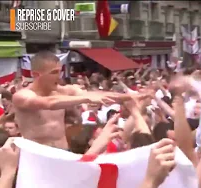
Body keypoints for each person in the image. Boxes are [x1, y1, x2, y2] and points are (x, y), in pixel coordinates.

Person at [12, 51, 141, 150]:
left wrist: (131, 96)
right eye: (54, 72)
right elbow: (48, 103)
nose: (59, 76)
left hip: (63, 152)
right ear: (36, 75)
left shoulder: (63, 90)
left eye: (60, 71)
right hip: (36, 156)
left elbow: (96, 95)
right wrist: (85, 98)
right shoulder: (22, 96)